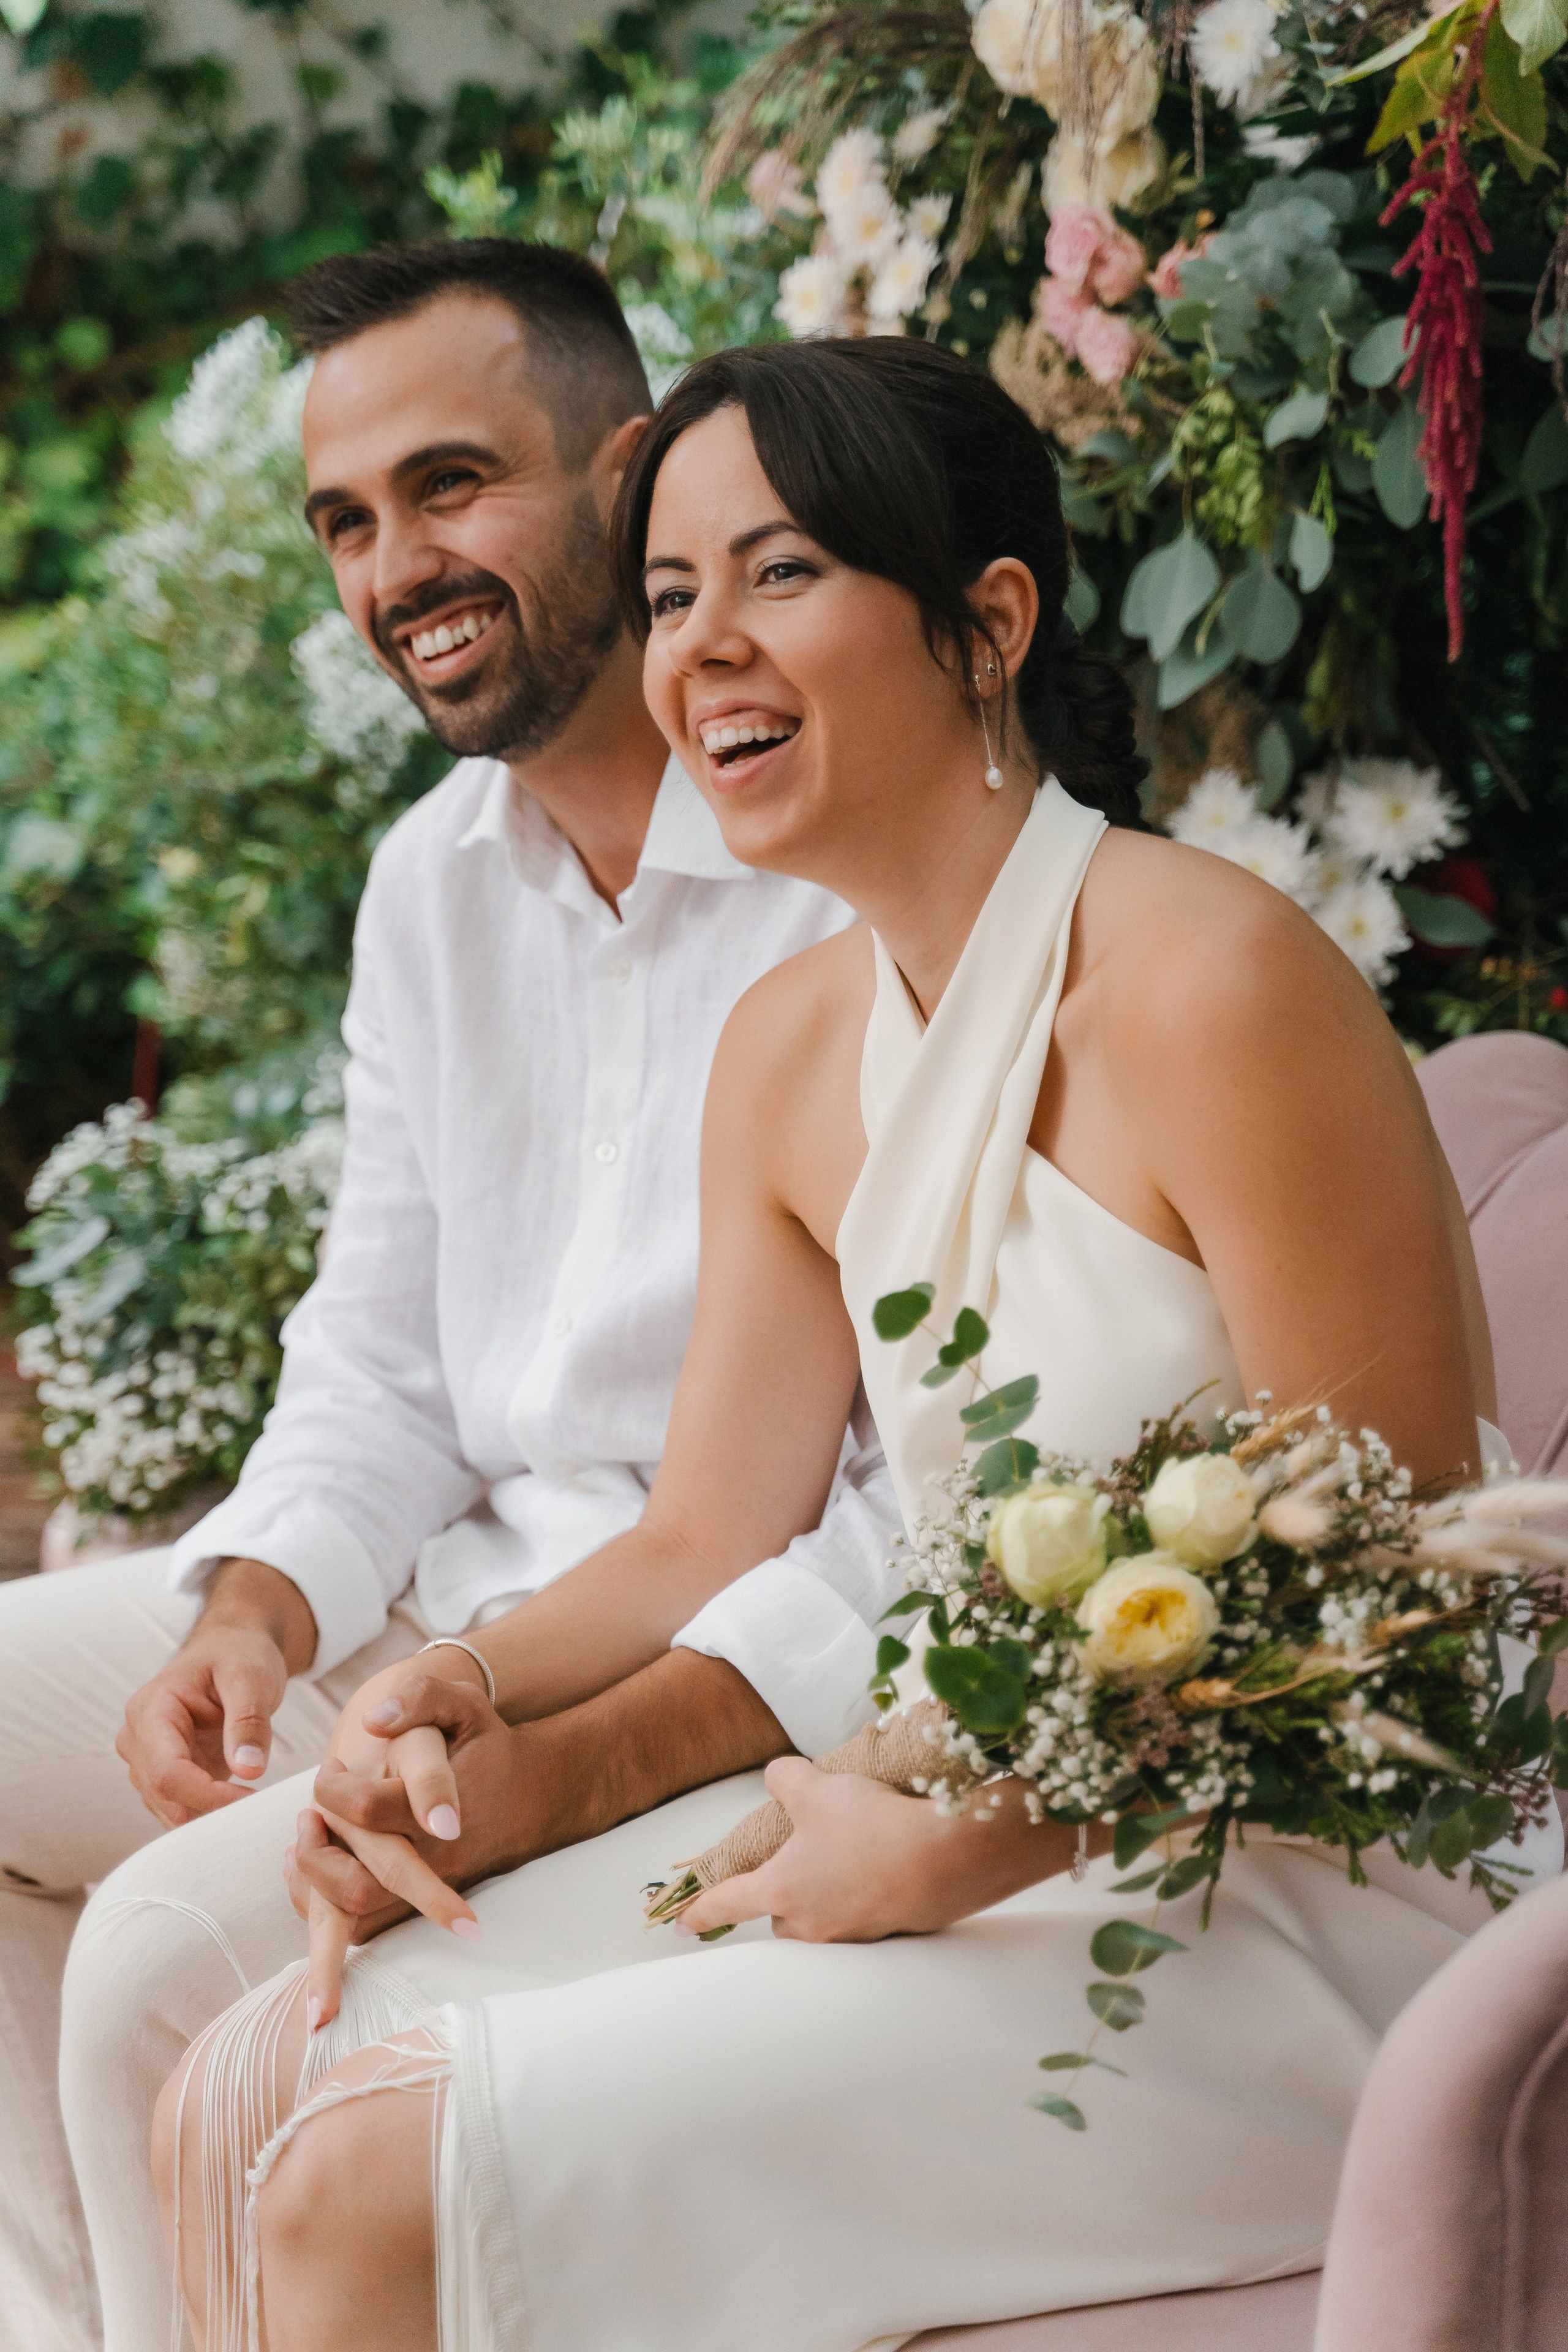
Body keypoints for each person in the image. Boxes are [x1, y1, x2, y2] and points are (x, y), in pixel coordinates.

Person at [151, 336, 1561, 2352]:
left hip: (1315, 1892)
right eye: (664, 597)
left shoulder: (1218, 980)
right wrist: (447, 1693)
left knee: (377, 2170)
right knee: (261, 2083)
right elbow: (698, 1531)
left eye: (782, 572)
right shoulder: (790, 1055)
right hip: (972, 1798)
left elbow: (1397, 1549)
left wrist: (976, 1836)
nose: (702, 648)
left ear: (985, 621)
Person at [0, 244, 903, 2352]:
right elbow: (381, 1350)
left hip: (673, 1664)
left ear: (628, 482)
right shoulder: (429, 883)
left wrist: (561, 1727)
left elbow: (899, 1486)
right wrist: (256, 1608)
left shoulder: (846, 857)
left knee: (152, 1955)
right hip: (445, 1604)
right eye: (345, 521)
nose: (398, 565)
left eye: (450, 486)